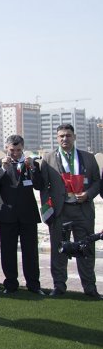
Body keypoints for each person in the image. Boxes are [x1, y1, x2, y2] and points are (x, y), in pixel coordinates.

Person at [40, 123, 101, 298]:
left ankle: (90, 288)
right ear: (57, 138)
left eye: (68, 135)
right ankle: (59, 286)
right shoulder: (49, 159)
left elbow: (98, 182)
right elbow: (44, 188)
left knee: (86, 249)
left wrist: (88, 194)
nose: (64, 139)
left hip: (83, 211)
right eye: (61, 136)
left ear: (74, 137)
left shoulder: (88, 158)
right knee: (58, 249)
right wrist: (47, 211)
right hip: (60, 211)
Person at [0, 134, 45, 295]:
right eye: (12, 150)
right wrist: (2, 169)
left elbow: (40, 186)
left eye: (19, 150)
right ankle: (10, 284)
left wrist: (33, 168)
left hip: (28, 215)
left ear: (23, 149)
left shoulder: (31, 164)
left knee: (31, 252)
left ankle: (34, 285)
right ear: (6, 148)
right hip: (7, 214)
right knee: (8, 251)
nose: (15, 153)